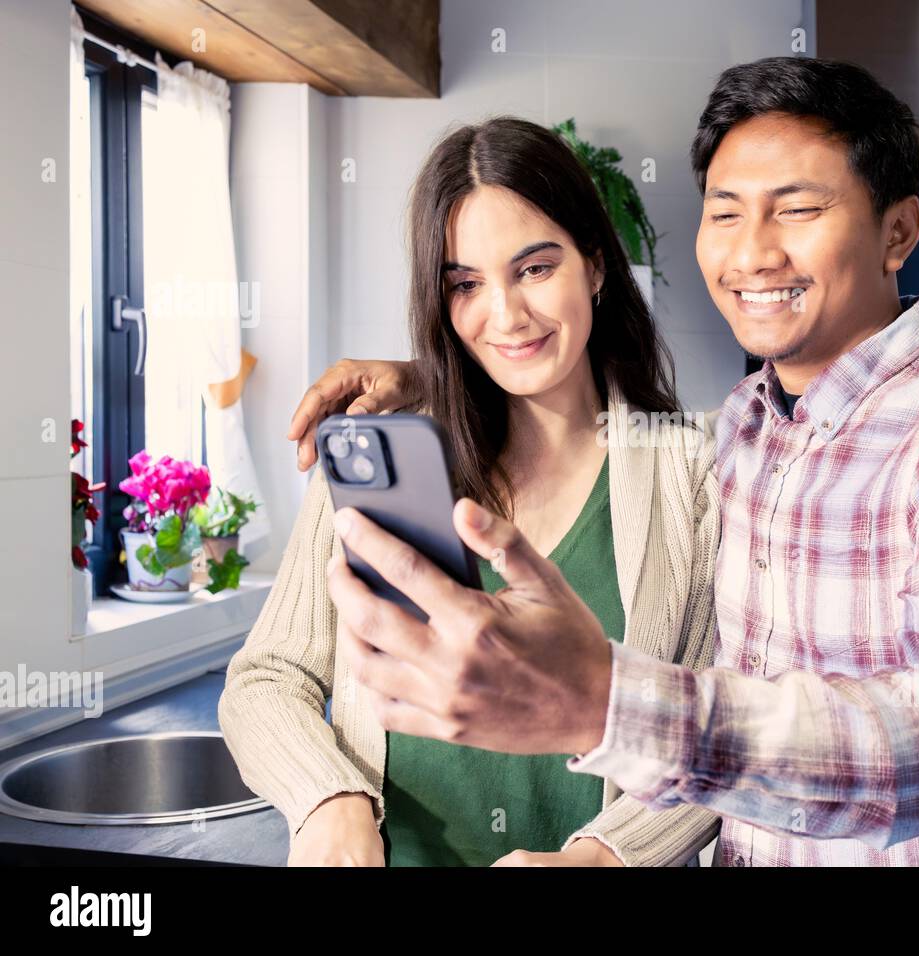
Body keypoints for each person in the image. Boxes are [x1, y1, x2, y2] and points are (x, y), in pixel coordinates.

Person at [308, 57, 919, 866]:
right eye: (726, 213)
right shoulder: (746, 429)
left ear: (898, 231)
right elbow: (574, 417)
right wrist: (435, 378)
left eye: (798, 210)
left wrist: (609, 703)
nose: (753, 254)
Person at [219, 117, 722, 867]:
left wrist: (602, 860)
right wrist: (329, 802)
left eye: (535, 268)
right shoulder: (377, 462)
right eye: (466, 284)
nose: (507, 315)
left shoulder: (695, 475)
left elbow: (721, 734)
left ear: (595, 265)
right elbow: (268, 678)